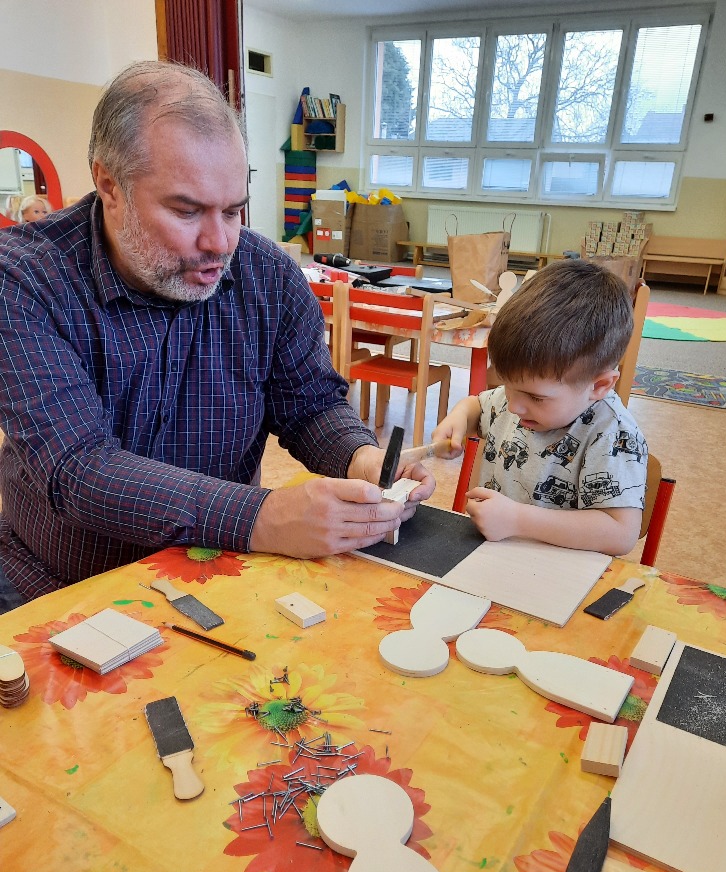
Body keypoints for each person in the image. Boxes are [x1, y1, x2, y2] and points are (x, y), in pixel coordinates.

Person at [0, 61, 435, 610]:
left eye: (233, 211)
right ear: (110, 185)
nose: (220, 242)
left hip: (215, 581)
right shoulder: (25, 280)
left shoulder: (269, 277)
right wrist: (265, 517)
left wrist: (358, 457)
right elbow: (80, 470)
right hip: (60, 586)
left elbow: (308, 404)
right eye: (187, 211)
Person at [432, 259, 647, 556]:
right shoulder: (518, 399)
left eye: (536, 398)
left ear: (598, 386)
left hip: (559, 573)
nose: (513, 406)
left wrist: (518, 520)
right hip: (495, 559)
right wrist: (459, 416)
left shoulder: (612, 433)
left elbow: (621, 534)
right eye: (507, 385)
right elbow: (478, 406)